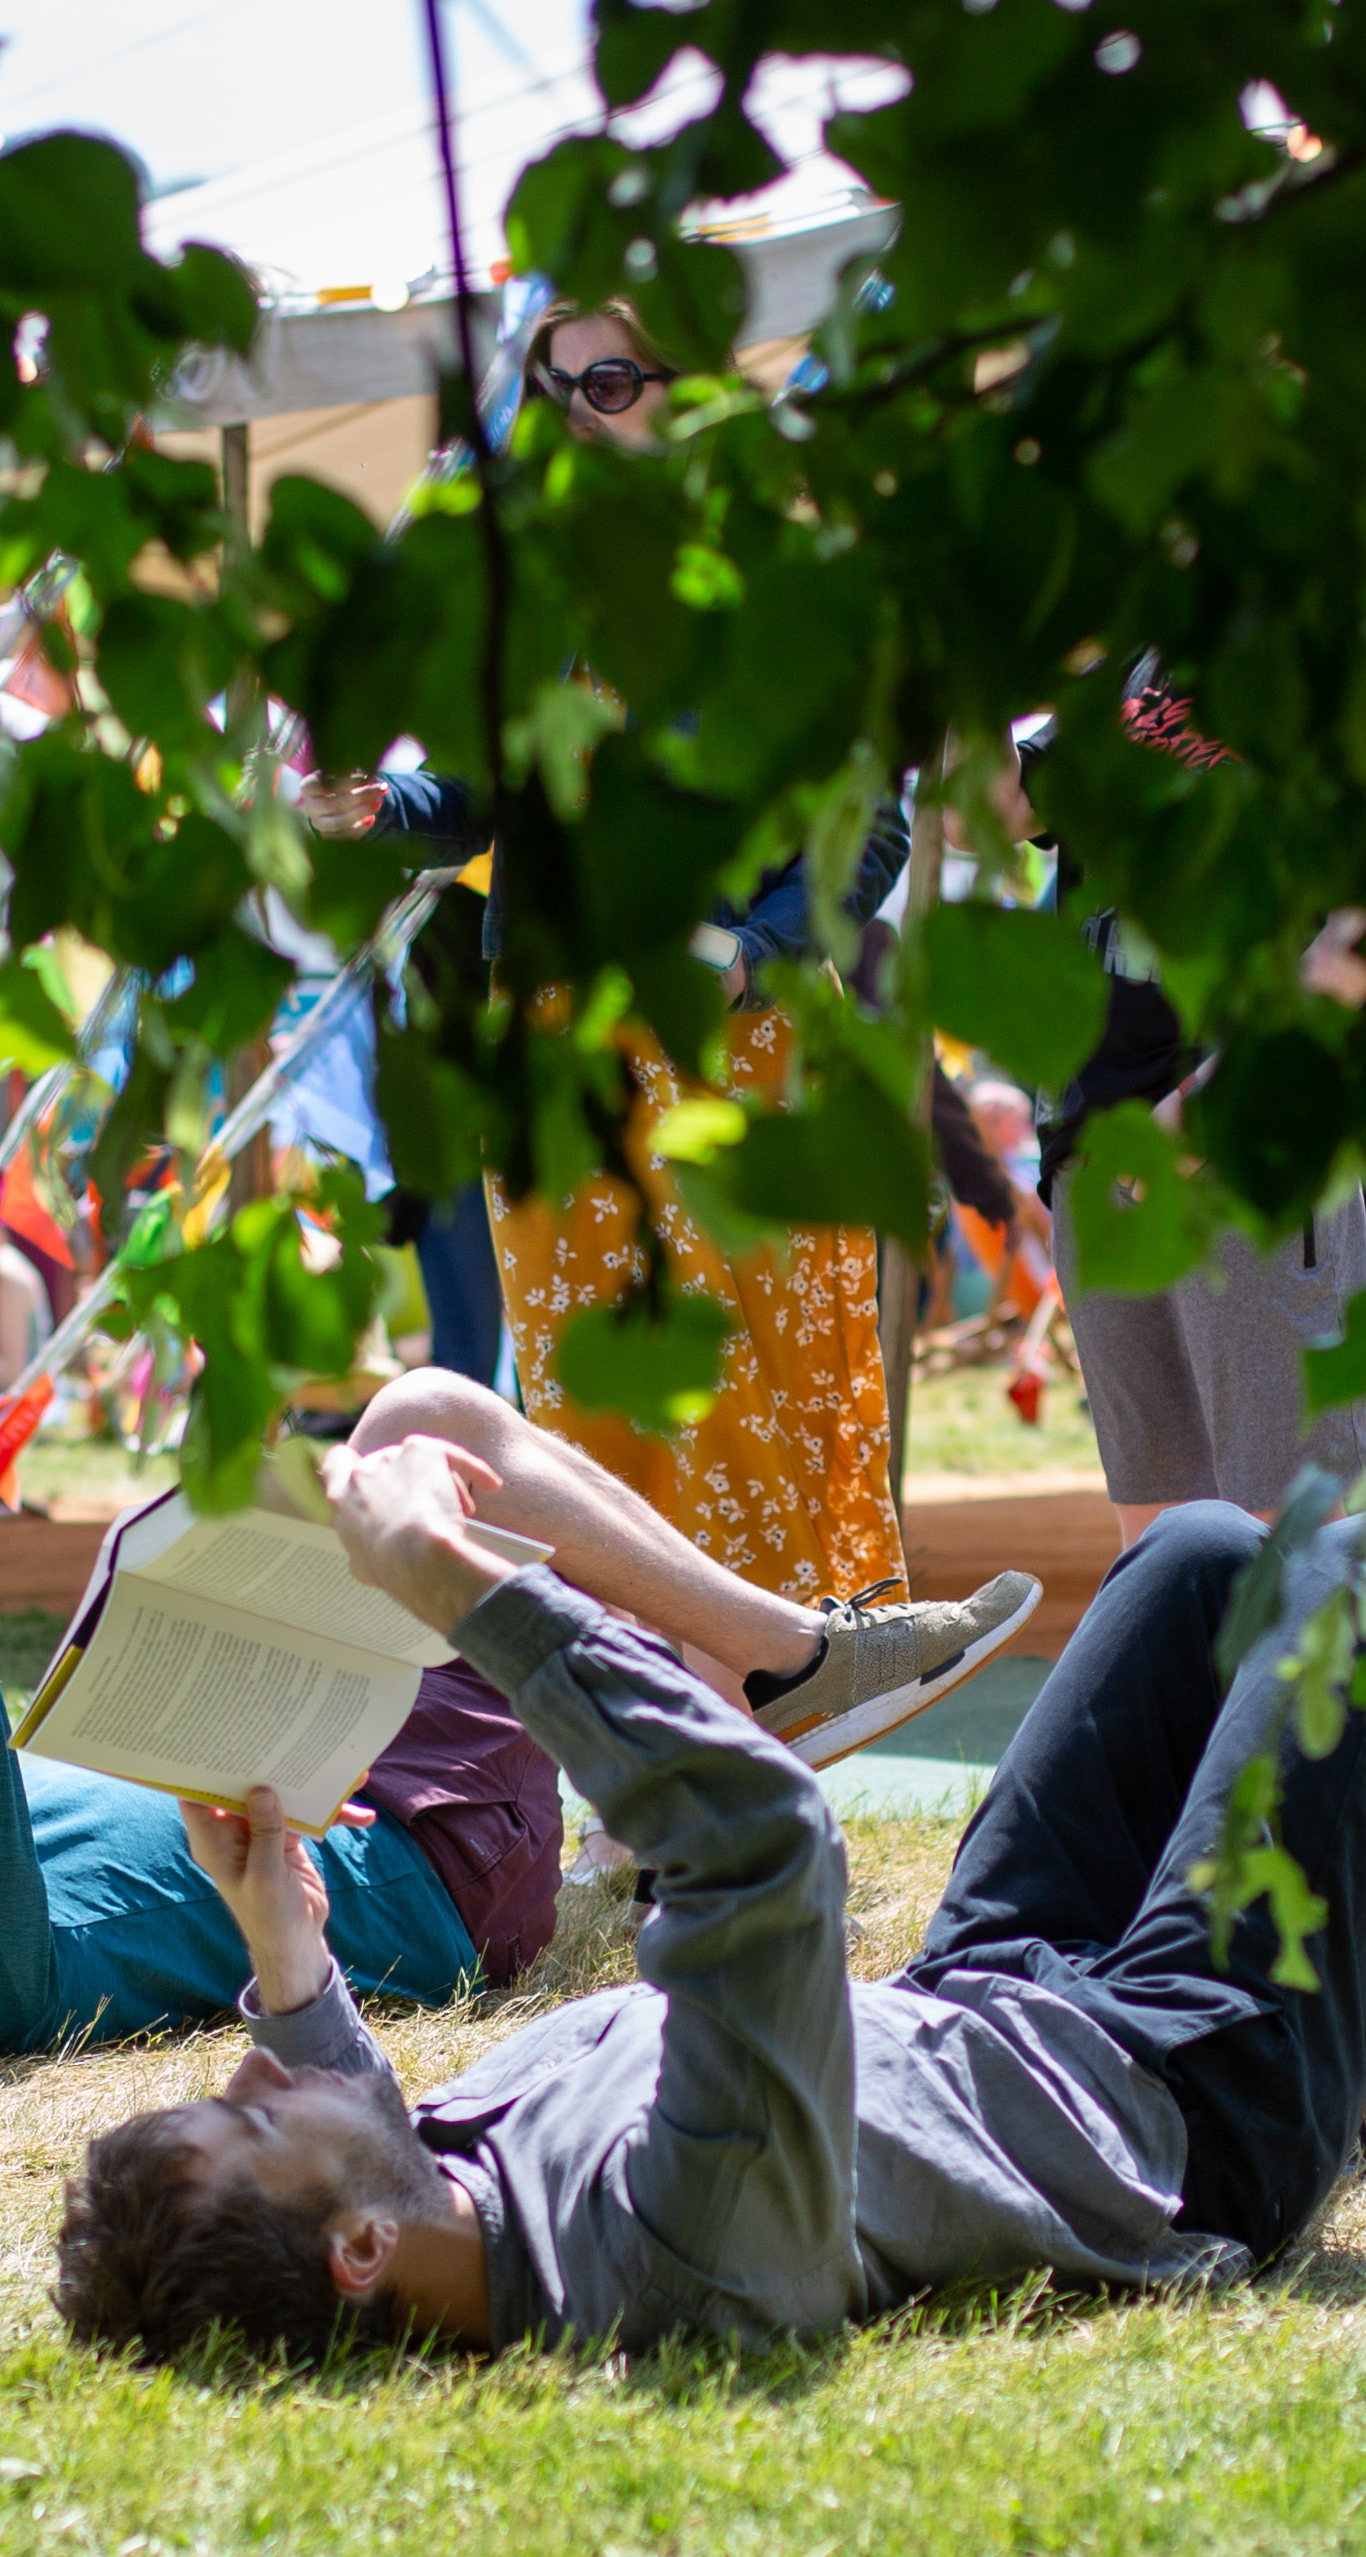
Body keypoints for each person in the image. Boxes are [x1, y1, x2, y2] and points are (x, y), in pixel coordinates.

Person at [49, 1447, 1366, 2364]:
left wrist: (290, 1964)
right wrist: (464, 1589)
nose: (266, 2082)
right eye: (255, 2123)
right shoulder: (672, 2245)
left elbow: (362, 2114)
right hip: (1178, 2104)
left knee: (1212, 1557)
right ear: (362, 2259)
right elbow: (760, 1859)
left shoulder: (439, 2192)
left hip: (998, 1999)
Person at [0, 1356, 1043, 2056]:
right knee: (422, 1430)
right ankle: (770, 1672)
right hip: (434, 1861)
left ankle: (742, 1691)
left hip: (325, 1757)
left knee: (374, 1468)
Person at [308, 302, 921, 1616]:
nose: (580, 409)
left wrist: (755, 956)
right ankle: (643, 1745)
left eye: (610, 377)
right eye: (555, 383)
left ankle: (764, 1712)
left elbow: (870, 823)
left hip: (728, 1036)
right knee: (580, 1402)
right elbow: (484, 792)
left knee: (739, 1402)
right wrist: (385, 806)